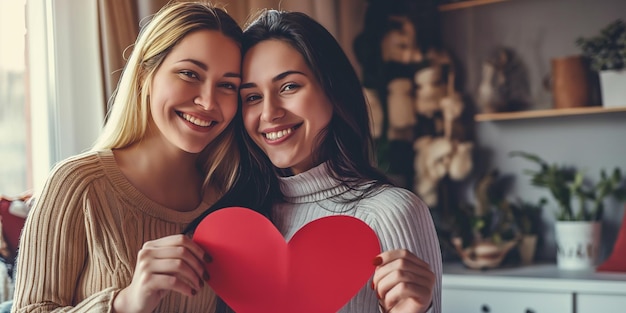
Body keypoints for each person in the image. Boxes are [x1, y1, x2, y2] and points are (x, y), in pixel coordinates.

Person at [11, 2, 245, 312]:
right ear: (145, 75)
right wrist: (125, 303)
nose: (207, 101)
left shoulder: (228, 201)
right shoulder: (78, 185)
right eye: (190, 74)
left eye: (227, 85)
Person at [237, 9, 442, 313]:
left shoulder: (392, 213)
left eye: (289, 86)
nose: (269, 113)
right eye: (252, 97)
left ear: (332, 90)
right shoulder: (238, 219)